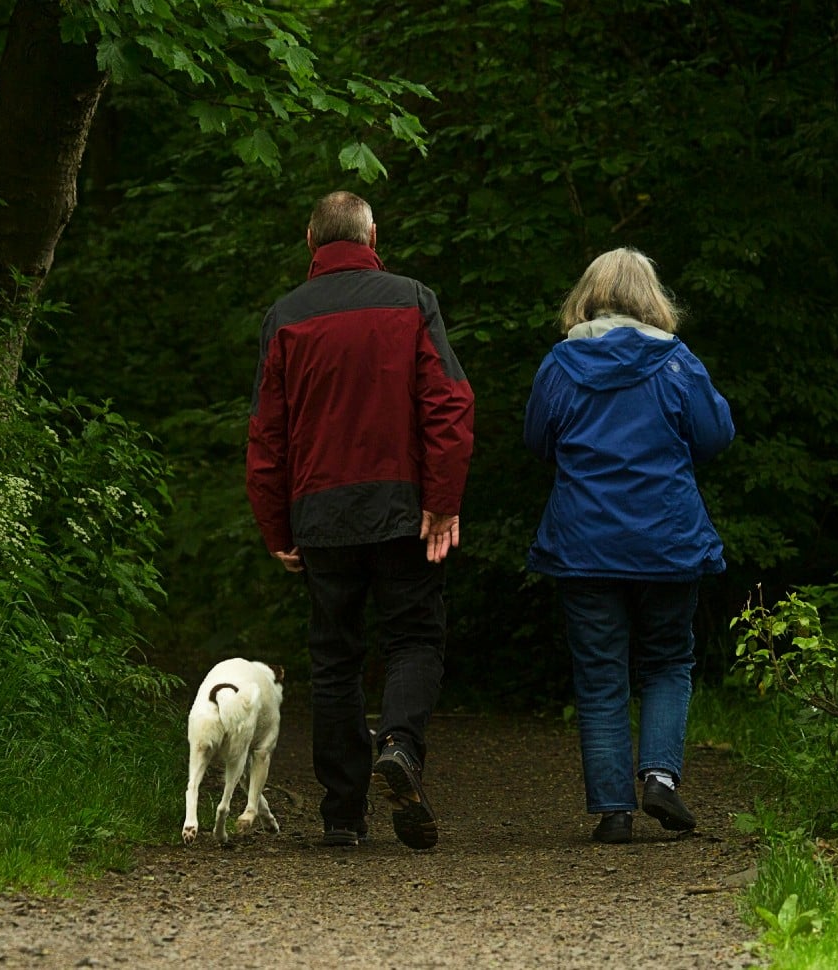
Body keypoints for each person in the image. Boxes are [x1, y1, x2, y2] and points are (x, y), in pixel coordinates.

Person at [246, 191, 475, 850]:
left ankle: (343, 812)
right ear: (374, 233)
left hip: (321, 511)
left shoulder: (285, 316)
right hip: (404, 505)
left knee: (335, 658)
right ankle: (399, 746)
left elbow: (268, 434)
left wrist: (276, 527)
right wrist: (443, 499)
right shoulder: (411, 300)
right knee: (414, 639)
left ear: (309, 238)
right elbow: (448, 405)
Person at [523, 248, 735, 845]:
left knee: (599, 674)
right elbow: (716, 435)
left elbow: (537, 439)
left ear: (587, 297)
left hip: (584, 542)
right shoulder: (676, 362)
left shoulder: (560, 366)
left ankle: (614, 810)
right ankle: (661, 778)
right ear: (652, 298)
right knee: (668, 660)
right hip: (666, 539)